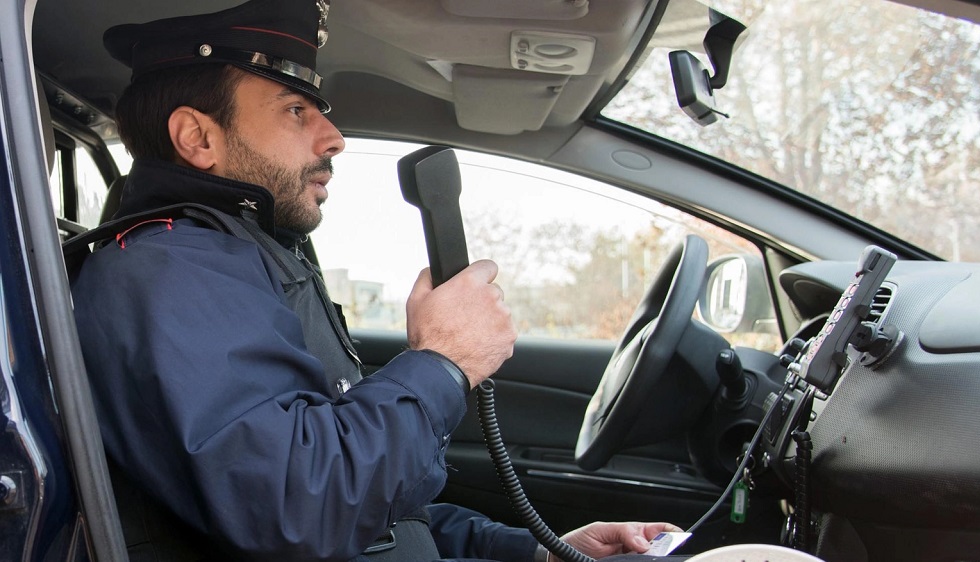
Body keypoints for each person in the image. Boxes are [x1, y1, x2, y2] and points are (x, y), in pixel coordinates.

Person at [70, 1, 682, 560]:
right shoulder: (170, 271)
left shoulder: (246, 259)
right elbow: (298, 506)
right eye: (296, 110)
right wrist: (444, 361)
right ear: (198, 137)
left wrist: (540, 553)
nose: (333, 139)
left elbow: (376, 519)